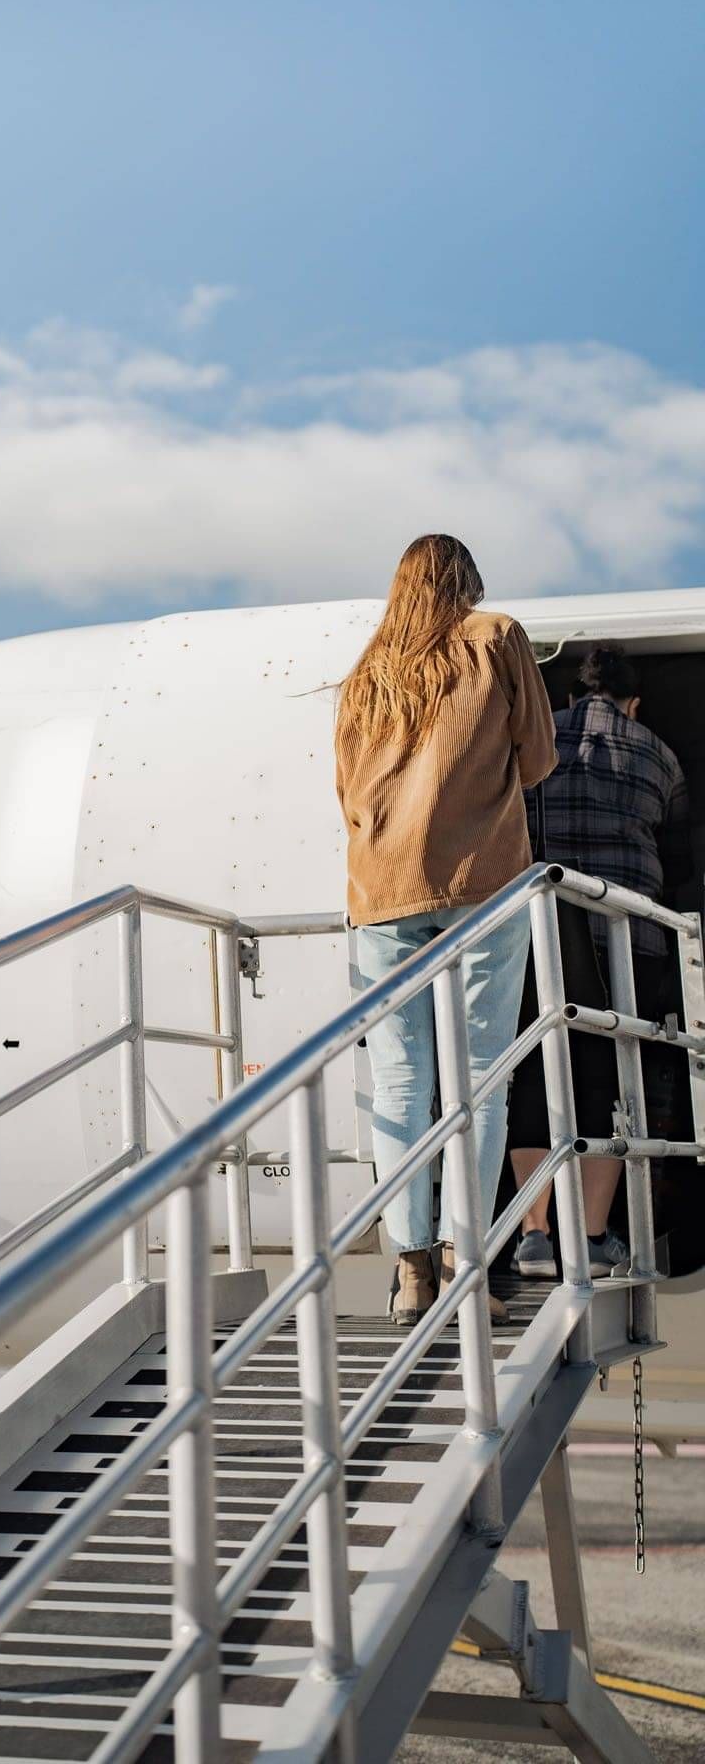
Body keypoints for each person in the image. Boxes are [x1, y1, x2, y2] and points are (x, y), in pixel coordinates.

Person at [335, 534, 557, 1327]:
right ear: (466, 581)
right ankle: (471, 1267)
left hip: (380, 891)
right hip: (478, 883)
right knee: (480, 1079)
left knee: (400, 1085)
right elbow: (538, 759)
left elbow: (344, 788)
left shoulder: (367, 668)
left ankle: (411, 1273)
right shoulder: (494, 637)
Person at [508, 645, 692, 1278]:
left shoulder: (541, 737)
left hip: (543, 931)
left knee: (534, 1072)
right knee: (613, 1080)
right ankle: (588, 1236)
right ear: (633, 702)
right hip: (628, 937)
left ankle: (533, 1236)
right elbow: (675, 826)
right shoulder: (658, 752)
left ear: (568, 697)